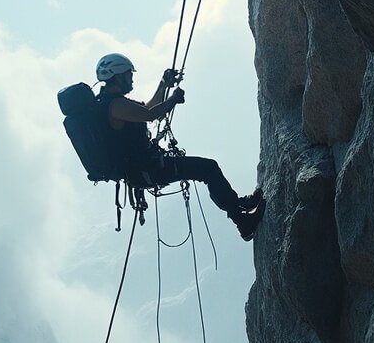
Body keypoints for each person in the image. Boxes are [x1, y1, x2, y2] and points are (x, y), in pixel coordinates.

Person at [94, 52, 265, 240]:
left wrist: (163, 84)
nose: (132, 78)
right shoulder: (116, 106)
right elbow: (151, 115)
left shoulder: (112, 103)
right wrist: (173, 99)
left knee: (206, 168)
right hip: (146, 170)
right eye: (128, 75)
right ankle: (242, 222)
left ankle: (237, 205)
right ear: (117, 76)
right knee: (208, 169)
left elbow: (148, 108)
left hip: (145, 168)